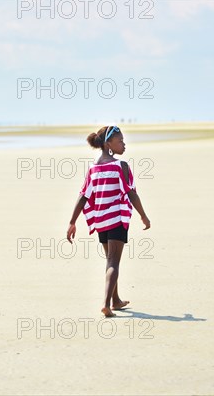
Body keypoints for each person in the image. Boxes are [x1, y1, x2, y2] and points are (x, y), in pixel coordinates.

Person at [67, 125, 151, 317]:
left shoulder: (93, 168)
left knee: (110, 260)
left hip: (101, 222)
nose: (124, 144)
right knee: (114, 261)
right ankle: (106, 303)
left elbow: (83, 196)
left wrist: (72, 222)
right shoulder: (120, 166)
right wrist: (143, 215)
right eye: (120, 141)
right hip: (117, 219)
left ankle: (116, 300)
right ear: (108, 144)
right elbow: (131, 193)